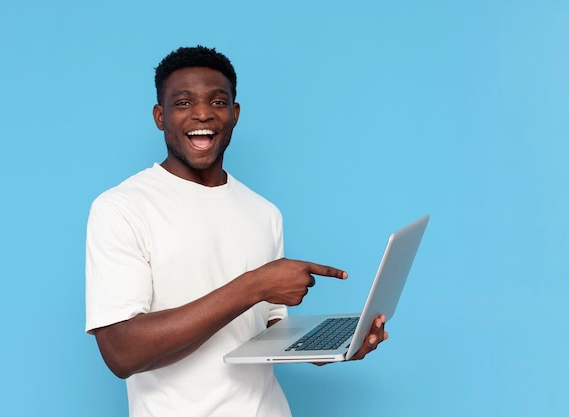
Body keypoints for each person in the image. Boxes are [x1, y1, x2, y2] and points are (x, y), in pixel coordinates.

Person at [85, 45, 388, 417]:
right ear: (159, 116)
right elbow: (121, 353)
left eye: (217, 102)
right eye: (183, 103)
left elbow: (268, 335)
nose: (202, 114)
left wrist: (335, 347)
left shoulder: (264, 212)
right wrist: (253, 285)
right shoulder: (122, 207)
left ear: (234, 114)